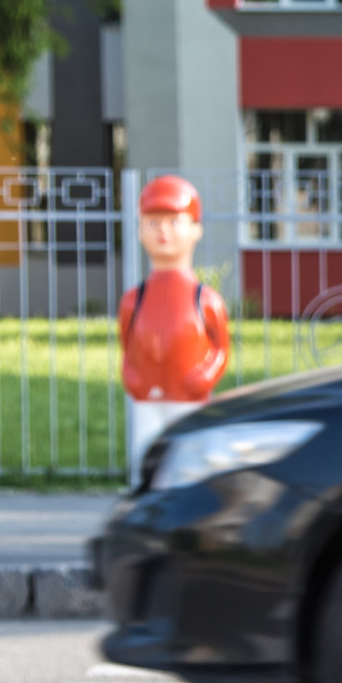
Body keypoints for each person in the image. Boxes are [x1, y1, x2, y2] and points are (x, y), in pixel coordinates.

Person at [116, 175, 231, 484]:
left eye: (173, 221)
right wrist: (133, 378)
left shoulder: (206, 300)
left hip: (189, 397)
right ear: (140, 231)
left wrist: (206, 375)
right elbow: (127, 347)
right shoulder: (133, 300)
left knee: (190, 461)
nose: (163, 231)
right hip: (148, 399)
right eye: (153, 222)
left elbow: (220, 348)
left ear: (195, 229)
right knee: (145, 458)